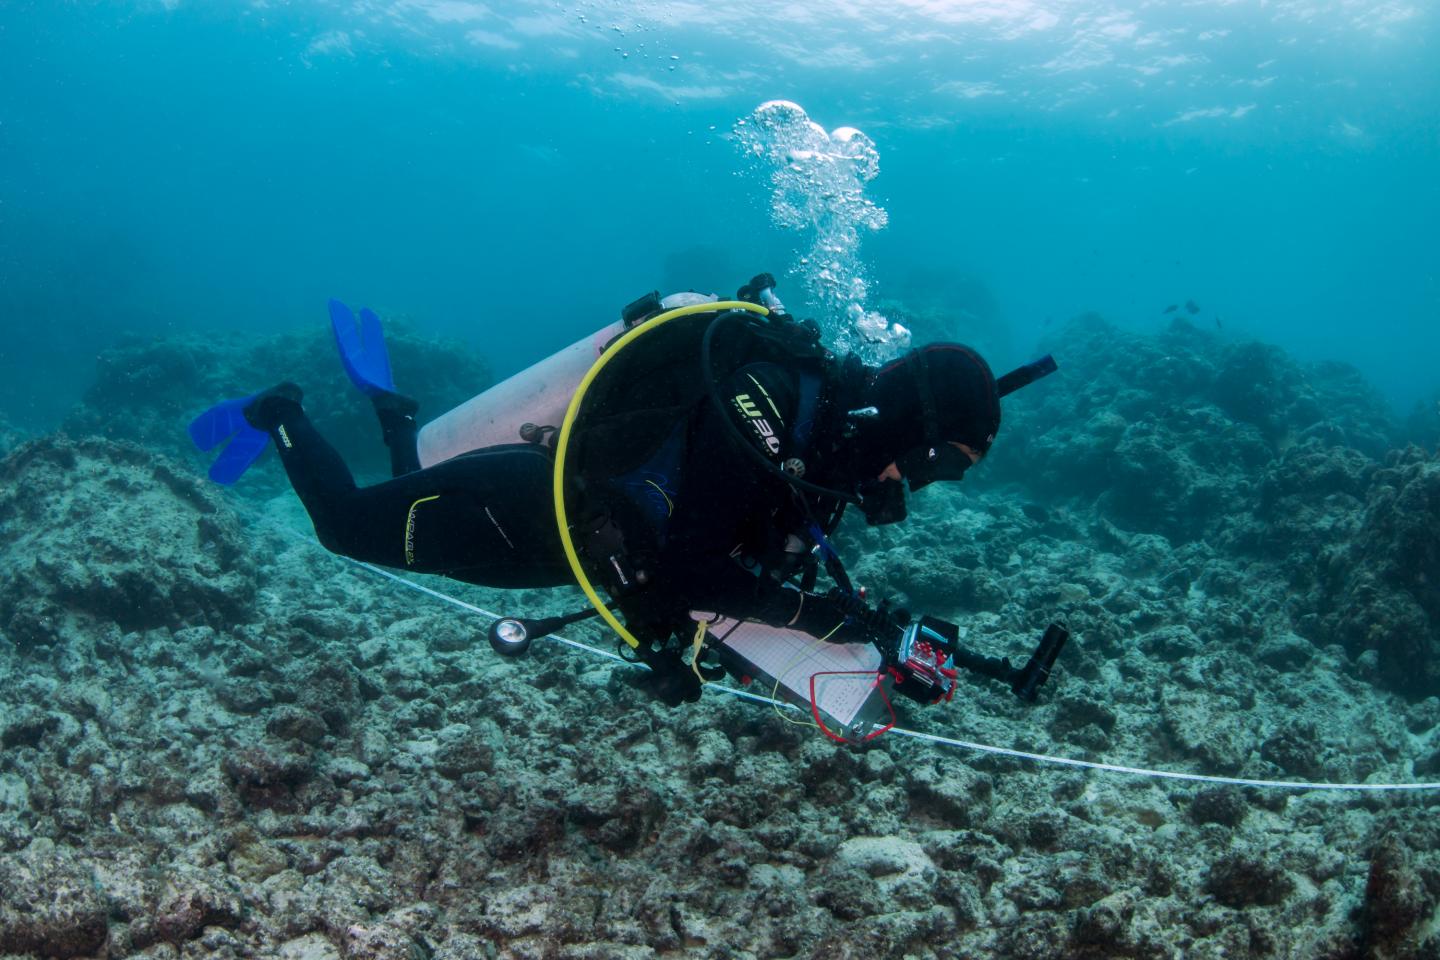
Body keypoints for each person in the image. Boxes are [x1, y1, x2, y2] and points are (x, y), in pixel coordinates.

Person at [191, 276, 1059, 707]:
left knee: (410, 477)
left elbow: (746, 563)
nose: (926, 486)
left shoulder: (820, 449)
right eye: (939, 464)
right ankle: (281, 411)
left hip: (562, 541)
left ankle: (393, 406)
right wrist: (838, 624)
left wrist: (879, 629)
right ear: (910, 423)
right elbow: (692, 573)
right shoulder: (766, 403)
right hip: (531, 507)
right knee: (346, 525)